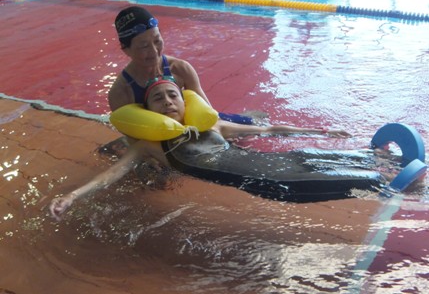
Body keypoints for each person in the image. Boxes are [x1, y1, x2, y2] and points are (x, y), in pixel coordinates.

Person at [49, 77, 367, 221]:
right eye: (158, 99)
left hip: (249, 161)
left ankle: (375, 159)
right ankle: (377, 184)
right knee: (290, 185)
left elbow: (268, 130)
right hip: (234, 174)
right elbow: (114, 172)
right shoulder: (151, 143)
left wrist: (321, 132)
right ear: (149, 111)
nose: (168, 102)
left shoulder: (213, 125)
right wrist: (73, 196)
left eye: (173, 96)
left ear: (183, 102)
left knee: (299, 159)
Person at [108, 5, 210, 113]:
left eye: (157, 41)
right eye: (144, 46)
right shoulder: (121, 92)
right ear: (126, 49)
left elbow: (209, 115)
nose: (154, 51)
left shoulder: (180, 69)